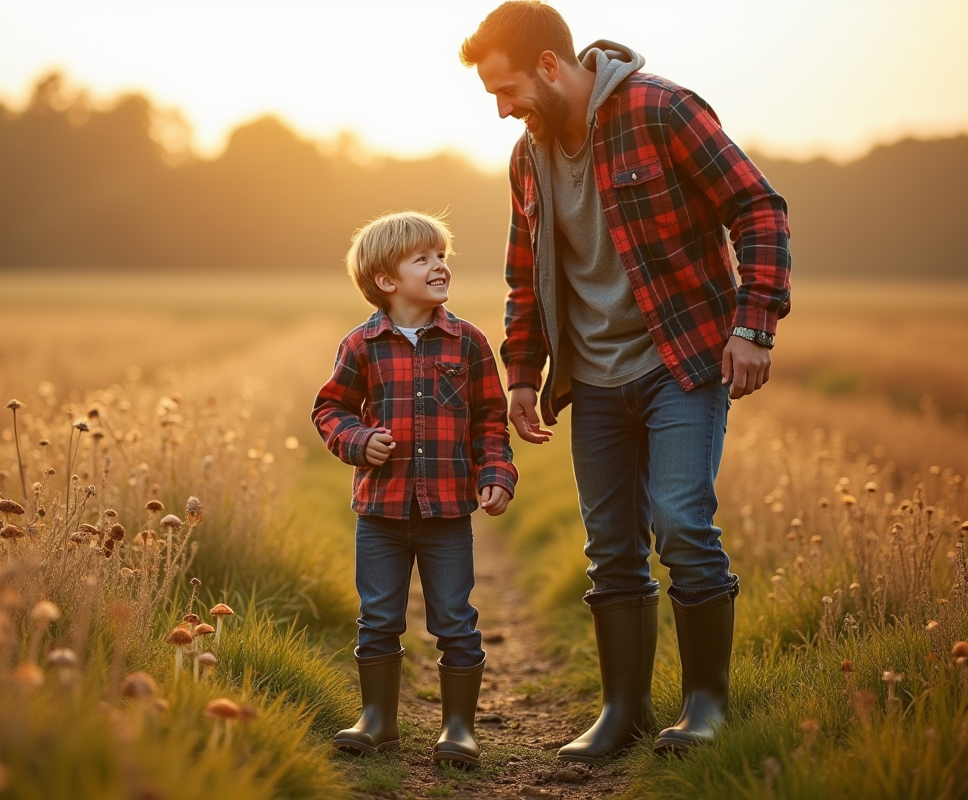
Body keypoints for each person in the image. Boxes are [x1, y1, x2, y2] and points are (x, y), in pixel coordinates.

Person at [459, 1, 791, 762]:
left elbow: (758, 208)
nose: (502, 111)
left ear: (551, 65)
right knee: (611, 547)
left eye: (505, 92)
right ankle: (624, 710)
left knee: (680, 524)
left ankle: (705, 705)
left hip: (682, 360)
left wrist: (752, 326)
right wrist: (521, 376)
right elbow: (524, 277)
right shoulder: (525, 158)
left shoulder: (661, 109)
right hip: (595, 378)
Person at [312, 211, 518, 768]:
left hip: (447, 512)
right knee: (378, 615)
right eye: (422, 259)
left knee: (454, 616)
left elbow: (489, 421)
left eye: (441, 255)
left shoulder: (467, 342)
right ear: (386, 280)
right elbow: (329, 408)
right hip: (379, 511)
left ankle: (459, 727)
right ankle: (377, 720)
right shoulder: (361, 345)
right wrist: (357, 440)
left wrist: (496, 475)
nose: (439, 266)